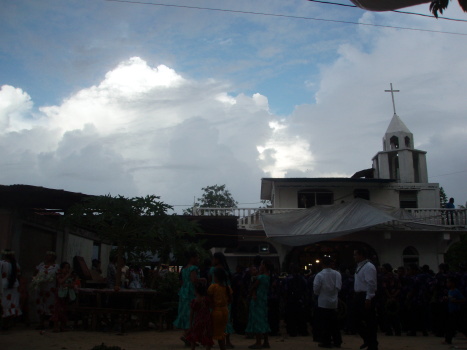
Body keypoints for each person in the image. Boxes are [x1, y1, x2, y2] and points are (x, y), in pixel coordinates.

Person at [174, 251, 204, 346]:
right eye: (197, 258)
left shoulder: (184, 269)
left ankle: (189, 338)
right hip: (191, 292)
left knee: (186, 314)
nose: (198, 260)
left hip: (183, 292)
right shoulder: (193, 268)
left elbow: (182, 281)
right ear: (192, 258)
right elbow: (194, 280)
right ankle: (187, 335)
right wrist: (203, 280)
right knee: (192, 314)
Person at [313, 257, 342, 348]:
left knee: (324, 323)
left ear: (323, 265)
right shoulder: (337, 274)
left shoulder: (319, 275)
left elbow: (316, 289)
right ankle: (337, 341)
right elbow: (339, 287)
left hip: (323, 301)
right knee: (335, 323)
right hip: (334, 302)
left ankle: (326, 341)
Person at [352, 248, 378, 350]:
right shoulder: (360, 266)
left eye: (355, 254)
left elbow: (371, 283)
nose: (354, 257)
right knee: (355, 320)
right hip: (359, 295)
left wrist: (368, 297)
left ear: (361, 255)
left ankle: (372, 343)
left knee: (369, 321)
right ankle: (369, 340)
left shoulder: (368, 267)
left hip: (365, 295)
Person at [208, 252, 234, 348]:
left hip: (215, 299)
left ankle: (212, 340)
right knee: (226, 320)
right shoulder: (227, 270)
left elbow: (209, 279)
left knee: (214, 320)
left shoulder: (213, 270)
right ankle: (227, 340)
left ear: (217, 259)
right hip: (225, 297)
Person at [245, 259, 272, 349]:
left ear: (264, 265)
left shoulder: (260, 277)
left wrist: (251, 293)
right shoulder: (268, 276)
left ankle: (258, 342)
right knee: (264, 320)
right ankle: (266, 342)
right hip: (263, 299)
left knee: (257, 320)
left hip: (257, 300)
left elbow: (253, 287)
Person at [32, 251, 59, 329]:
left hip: (51, 289)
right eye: (47, 255)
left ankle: (51, 321)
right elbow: (35, 274)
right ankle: (41, 322)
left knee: (51, 305)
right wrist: (36, 280)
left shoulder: (56, 267)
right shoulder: (41, 266)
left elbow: (58, 277)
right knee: (41, 304)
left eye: (50, 256)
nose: (48, 257)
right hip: (41, 288)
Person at [51, 262, 79, 332]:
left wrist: (70, 284)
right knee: (57, 310)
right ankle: (56, 326)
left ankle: (63, 326)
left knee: (64, 310)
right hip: (59, 295)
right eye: (65, 268)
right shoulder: (59, 275)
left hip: (67, 295)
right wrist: (68, 276)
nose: (67, 269)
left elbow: (74, 284)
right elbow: (60, 282)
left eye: (68, 268)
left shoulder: (71, 276)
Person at [186, 282, 214, 350]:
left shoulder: (194, 301)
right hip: (207, 320)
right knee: (208, 337)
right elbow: (212, 306)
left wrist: (190, 324)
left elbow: (192, 313)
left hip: (198, 320)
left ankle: (192, 348)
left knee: (194, 336)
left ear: (196, 291)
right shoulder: (206, 300)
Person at [1, 249, 22, 329]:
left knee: (3, 304)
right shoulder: (16, 264)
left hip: (3, 285)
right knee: (10, 304)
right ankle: (7, 323)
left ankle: (4, 324)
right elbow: (19, 276)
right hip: (14, 285)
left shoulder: (2, 264)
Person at [444, 277, 466, 345]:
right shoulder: (449, 291)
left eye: (448, 282)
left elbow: (463, 300)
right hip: (451, 311)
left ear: (453, 283)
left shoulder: (456, 291)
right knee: (454, 326)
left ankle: (448, 340)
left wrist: (455, 301)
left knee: (451, 326)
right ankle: (448, 340)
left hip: (455, 311)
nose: (447, 284)